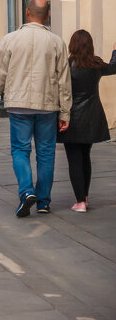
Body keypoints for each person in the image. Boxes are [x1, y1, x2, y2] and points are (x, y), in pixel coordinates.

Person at [0, 0, 71, 217]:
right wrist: (65, 111)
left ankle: (26, 192)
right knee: (46, 153)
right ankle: (43, 201)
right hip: (47, 104)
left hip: (18, 104)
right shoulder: (56, 42)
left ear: (26, 12)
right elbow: (64, 80)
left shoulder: (10, 39)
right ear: (48, 15)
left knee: (20, 150)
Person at [58, 30, 116, 213]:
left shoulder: (67, 65)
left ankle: (80, 201)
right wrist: (115, 52)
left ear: (72, 45)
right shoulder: (96, 64)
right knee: (85, 157)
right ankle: (85, 196)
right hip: (91, 117)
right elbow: (114, 67)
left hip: (71, 118)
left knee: (74, 159)